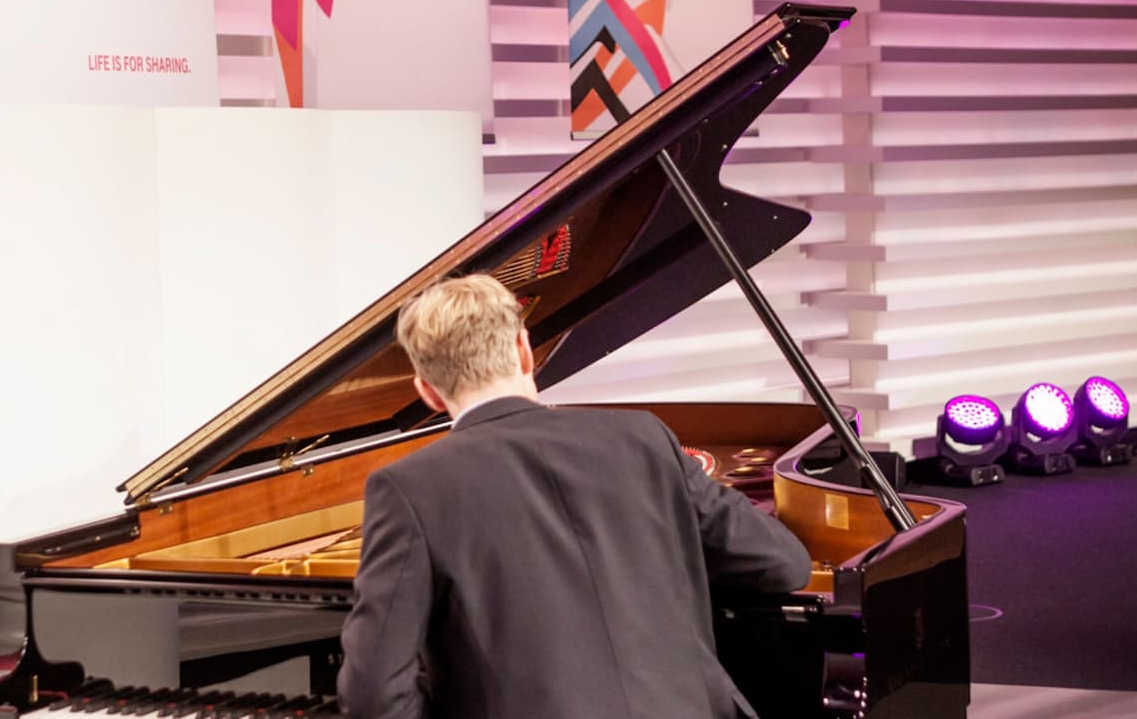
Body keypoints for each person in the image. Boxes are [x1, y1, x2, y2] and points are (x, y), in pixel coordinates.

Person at [337, 274, 811, 719]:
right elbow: (784, 564)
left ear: (428, 393)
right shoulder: (641, 438)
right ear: (525, 352)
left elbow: (374, 692)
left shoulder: (408, 487)